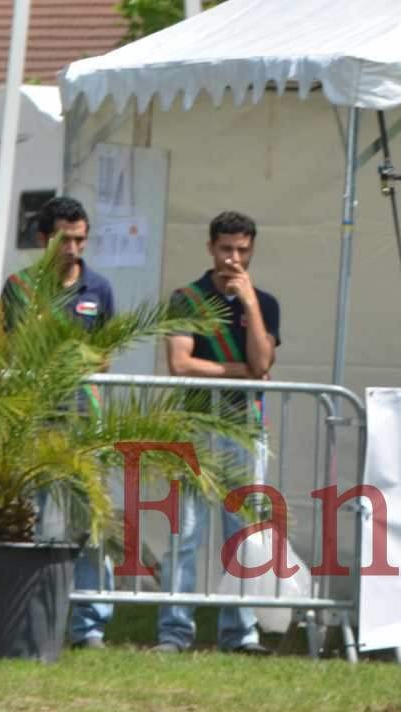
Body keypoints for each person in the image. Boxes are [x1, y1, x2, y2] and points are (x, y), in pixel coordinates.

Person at [153, 211, 279, 655]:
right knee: (184, 534)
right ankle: (174, 632)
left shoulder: (264, 302)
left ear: (252, 250)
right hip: (195, 429)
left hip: (244, 431)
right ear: (210, 248)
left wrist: (249, 305)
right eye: (226, 248)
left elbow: (264, 364)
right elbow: (181, 363)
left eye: (242, 250)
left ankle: (240, 633)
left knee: (244, 535)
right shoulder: (187, 298)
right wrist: (240, 372)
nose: (234, 258)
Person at [0, 196, 117, 650]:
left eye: (81, 239)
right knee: (30, 520)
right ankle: (31, 613)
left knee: (87, 520)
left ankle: (89, 624)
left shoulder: (99, 289)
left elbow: (105, 354)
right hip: (32, 422)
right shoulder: (20, 288)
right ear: (44, 240)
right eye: (65, 239)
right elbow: (8, 353)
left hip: (83, 420)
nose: (73, 248)